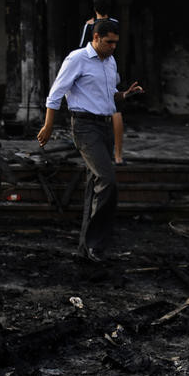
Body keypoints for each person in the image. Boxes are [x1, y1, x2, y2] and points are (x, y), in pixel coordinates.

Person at [37, 19, 143, 262]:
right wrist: (48, 126)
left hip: (104, 125)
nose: (113, 47)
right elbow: (55, 94)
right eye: (109, 42)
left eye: (116, 42)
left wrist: (125, 94)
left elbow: (107, 96)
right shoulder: (77, 59)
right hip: (84, 127)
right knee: (107, 180)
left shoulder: (110, 61)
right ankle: (96, 244)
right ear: (95, 38)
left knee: (94, 185)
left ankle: (86, 249)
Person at [79, 0, 124, 165]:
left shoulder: (90, 26)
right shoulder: (115, 24)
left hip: (96, 72)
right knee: (116, 110)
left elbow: (83, 50)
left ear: (95, 8)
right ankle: (118, 155)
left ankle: (95, 151)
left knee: (93, 111)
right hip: (113, 68)